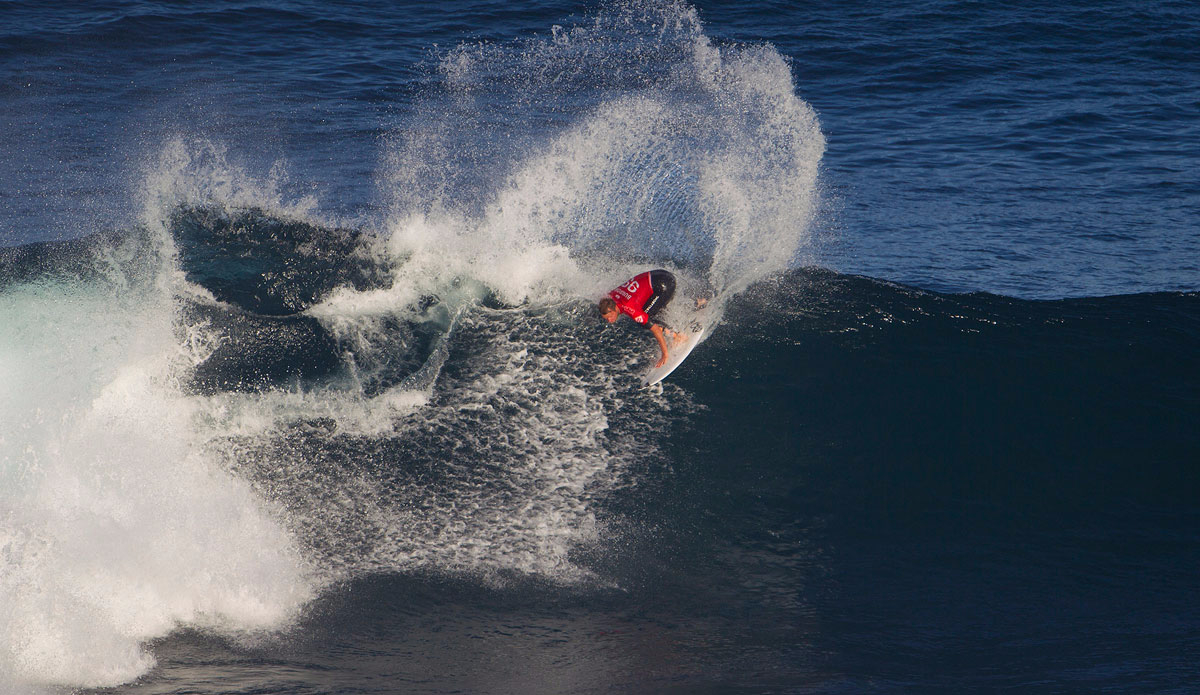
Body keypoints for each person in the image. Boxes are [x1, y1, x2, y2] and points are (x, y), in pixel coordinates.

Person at [598, 269, 688, 368]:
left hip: (663, 285)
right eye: (606, 319)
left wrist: (664, 355)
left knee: (647, 320)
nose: (609, 321)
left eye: (610, 317)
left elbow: (655, 329)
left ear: (613, 309)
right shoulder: (610, 297)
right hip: (659, 275)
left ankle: (677, 336)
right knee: (652, 310)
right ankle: (696, 303)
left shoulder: (629, 308)